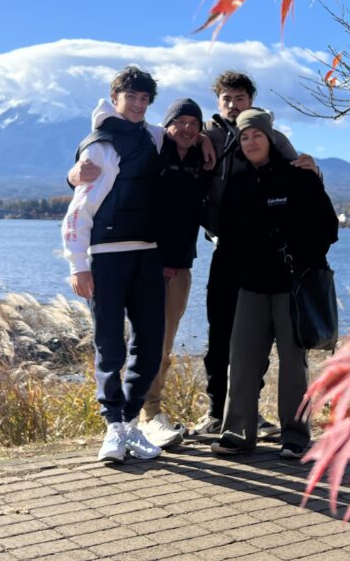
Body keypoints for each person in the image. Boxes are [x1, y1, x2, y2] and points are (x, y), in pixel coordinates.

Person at [191, 70, 319, 441]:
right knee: (221, 332)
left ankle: (253, 415)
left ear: (251, 100)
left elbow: (303, 180)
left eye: (240, 98)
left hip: (267, 258)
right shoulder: (207, 136)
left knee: (258, 337)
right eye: (227, 99)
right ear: (218, 102)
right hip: (225, 249)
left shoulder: (274, 138)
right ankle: (218, 412)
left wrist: (316, 168)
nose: (233, 105)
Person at [210, 108, 338, 458]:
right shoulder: (236, 186)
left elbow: (328, 230)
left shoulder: (298, 176)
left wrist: (303, 264)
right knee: (243, 361)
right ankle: (237, 432)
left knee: (293, 364)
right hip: (250, 287)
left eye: (257, 135)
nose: (251, 142)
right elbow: (228, 238)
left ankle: (295, 436)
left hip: (290, 289)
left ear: (270, 139)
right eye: (245, 136)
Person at [62, 66, 167, 463]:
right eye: (132, 98)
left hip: (148, 252)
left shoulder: (153, 136)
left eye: (145, 99)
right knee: (109, 343)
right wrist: (78, 264)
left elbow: (180, 133)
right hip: (106, 257)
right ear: (116, 97)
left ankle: (129, 424)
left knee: (150, 341)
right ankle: (112, 427)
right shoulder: (100, 146)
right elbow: (79, 211)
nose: (139, 105)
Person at [138, 98, 210, 449]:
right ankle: (144, 415)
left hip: (181, 265)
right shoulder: (153, 151)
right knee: (146, 341)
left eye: (193, 123)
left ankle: (148, 412)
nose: (187, 128)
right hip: (148, 262)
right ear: (166, 126)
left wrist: (206, 138)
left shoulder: (200, 158)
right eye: (179, 122)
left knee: (165, 344)